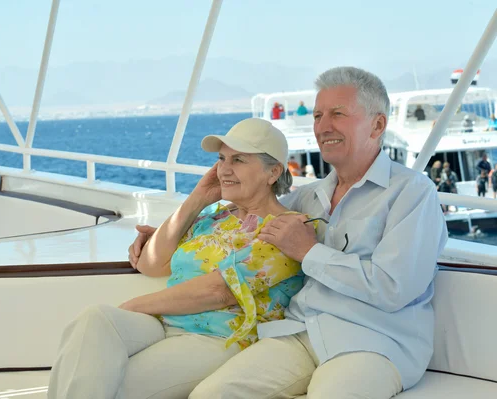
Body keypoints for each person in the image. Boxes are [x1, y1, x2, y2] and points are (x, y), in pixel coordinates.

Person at [130, 67, 447, 398]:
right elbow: (251, 215)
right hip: (300, 332)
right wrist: (174, 233)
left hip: (375, 342)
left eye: (338, 114)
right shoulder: (307, 198)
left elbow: (394, 287)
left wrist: (310, 252)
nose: (323, 127)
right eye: (318, 115)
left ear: (378, 124)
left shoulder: (412, 193)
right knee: (211, 395)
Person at [48, 118, 311, 399]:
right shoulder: (215, 219)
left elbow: (220, 291)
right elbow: (152, 263)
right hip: (166, 323)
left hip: (218, 337)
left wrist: (131, 307)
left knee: (112, 387)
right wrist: (198, 198)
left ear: (273, 172)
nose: (225, 169)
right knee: (96, 319)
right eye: (221, 159)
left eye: (239, 160)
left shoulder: (289, 228)